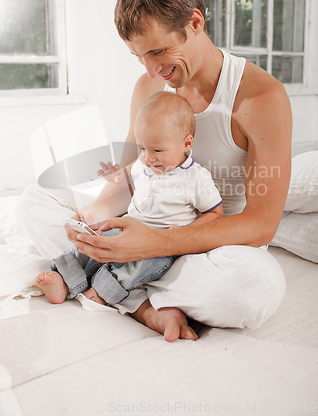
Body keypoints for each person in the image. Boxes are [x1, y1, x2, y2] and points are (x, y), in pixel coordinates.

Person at [17, 0, 292, 342]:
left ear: (195, 22)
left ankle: (107, 281)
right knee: (36, 200)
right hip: (146, 223)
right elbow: (130, 176)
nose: (150, 70)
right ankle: (145, 304)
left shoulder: (262, 97)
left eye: (159, 50)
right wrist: (95, 219)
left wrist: (156, 242)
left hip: (209, 246)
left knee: (259, 285)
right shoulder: (149, 88)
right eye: (139, 56)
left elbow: (262, 224)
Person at [35, 91, 223, 318]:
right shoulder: (143, 164)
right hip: (129, 225)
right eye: (143, 148)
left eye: (157, 150)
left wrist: (184, 234)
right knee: (94, 242)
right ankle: (64, 279)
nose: (148, 157)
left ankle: (104, 290)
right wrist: (115, 177)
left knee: (143, 267)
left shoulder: (196, 178)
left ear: (186, 143)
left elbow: (214, 212)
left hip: (161, 241)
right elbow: (132, 184)